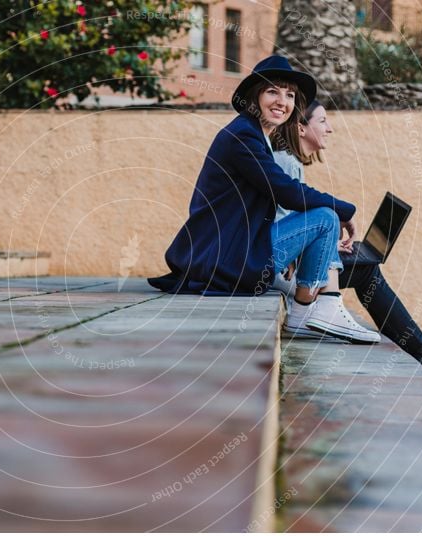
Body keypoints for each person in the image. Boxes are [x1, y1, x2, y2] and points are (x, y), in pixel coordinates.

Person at [148, 55, 378, 344]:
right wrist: (345, 209)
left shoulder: (254, 134)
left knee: (324, 215)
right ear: (254, 96)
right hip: (228, 260)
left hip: (234, 251)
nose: (282, 101)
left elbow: (285, 194)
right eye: (273, 91)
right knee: (325, 216)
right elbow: (287, 191)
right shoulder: (243, 136)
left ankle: (313, 310)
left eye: (290, 95)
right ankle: (320, 307)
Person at [270, 99, 422, 377]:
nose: (329, 129)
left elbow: (295, 226)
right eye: (322, 121)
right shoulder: (284, 161)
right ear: (300, 128)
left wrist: (326, 246)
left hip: (295, 266)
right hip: (284, 273)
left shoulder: (290, 162)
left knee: (366, 270)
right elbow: (278, 227)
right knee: (368, 275)